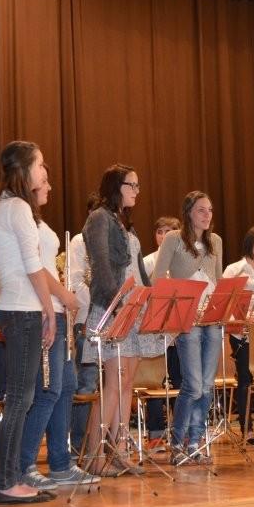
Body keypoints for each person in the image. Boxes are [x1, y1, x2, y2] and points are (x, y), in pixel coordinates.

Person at [17, 165, 99, 489]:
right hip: (42, 311)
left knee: (66, 387)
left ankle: (61, 464)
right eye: (45, 180)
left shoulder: (38, 222)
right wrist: (64, 296)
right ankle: (24, 465)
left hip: (58, 312)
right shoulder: (22, 221)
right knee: (48, 390)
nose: (50, 187)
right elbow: (34, 270)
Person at [0, 140, 57, 503]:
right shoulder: (18, 208)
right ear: (26, 169)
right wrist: (49, 310)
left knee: (20, 398)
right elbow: (33, 265)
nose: (44, 171)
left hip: (13, 307)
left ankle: (9, 477)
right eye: (40, 164)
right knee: (20, 399)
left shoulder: (3, 206)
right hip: (22, 309)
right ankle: (7, 481)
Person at [81, 164, 158, 475]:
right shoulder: (99, 217)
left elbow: (139, 272)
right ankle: (94, 457)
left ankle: (120, 451)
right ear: (116, 186)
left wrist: (150, 303)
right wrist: (117, 305)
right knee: (112, 383)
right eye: (132, 185)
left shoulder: (124, 222)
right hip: (113, 307)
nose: (137, 191)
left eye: (138, 186)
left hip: (134, 307)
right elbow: (100, 265)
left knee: (126, 383)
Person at [153, 192, 223, 464]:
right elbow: (158, 277)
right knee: (192, 386)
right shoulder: (173, 239)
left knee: (206, 386)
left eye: (210, 210)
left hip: (212, 320)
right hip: (188, 320)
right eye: (201, 210)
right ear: (189, 212)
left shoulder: (216, 241)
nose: (207, 215)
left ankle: (194, 442)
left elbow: (217, 280)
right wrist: (175, 304)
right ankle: (177, 443)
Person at [222, 226, 254, 439]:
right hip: (240, 331)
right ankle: (247, 427)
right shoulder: (234, 269)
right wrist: (241, 319)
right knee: (245, 378)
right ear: (249, 243)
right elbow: (223, 301)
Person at [141, 216, 182, 453]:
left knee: (180, 381)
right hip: (155, 331)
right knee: (154, 382)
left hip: (177, 330)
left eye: (169, 231)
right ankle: (155, 435)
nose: (164, 236)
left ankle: (180, 433)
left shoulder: (182, 261)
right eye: (160, 231)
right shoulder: (148, 262)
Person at [68, 194, 100, 454]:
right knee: (86, 384)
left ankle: (101, 442)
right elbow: (76, 283)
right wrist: (103, 302)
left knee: (109, 384)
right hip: (88, 319)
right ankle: (79, 445)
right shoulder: (80, 242)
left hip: (112, 321)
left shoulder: (115, 240)